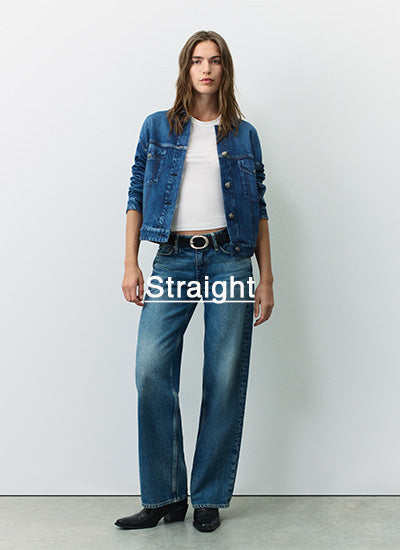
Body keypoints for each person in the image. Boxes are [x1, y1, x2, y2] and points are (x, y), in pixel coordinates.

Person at [115, 30, 274, 533]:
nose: (206, 69)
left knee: (223, 377)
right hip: (173, 260)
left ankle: (207, 497)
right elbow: (136, 194)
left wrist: (266, 279)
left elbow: (259, 207)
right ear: (186, 69)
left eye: (215, 60)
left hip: (230, 259)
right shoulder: (157, 127)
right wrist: (131, 263)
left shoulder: (243, 135)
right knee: (150, 369)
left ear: (225, 70)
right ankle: (165, 496)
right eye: (197, 60)